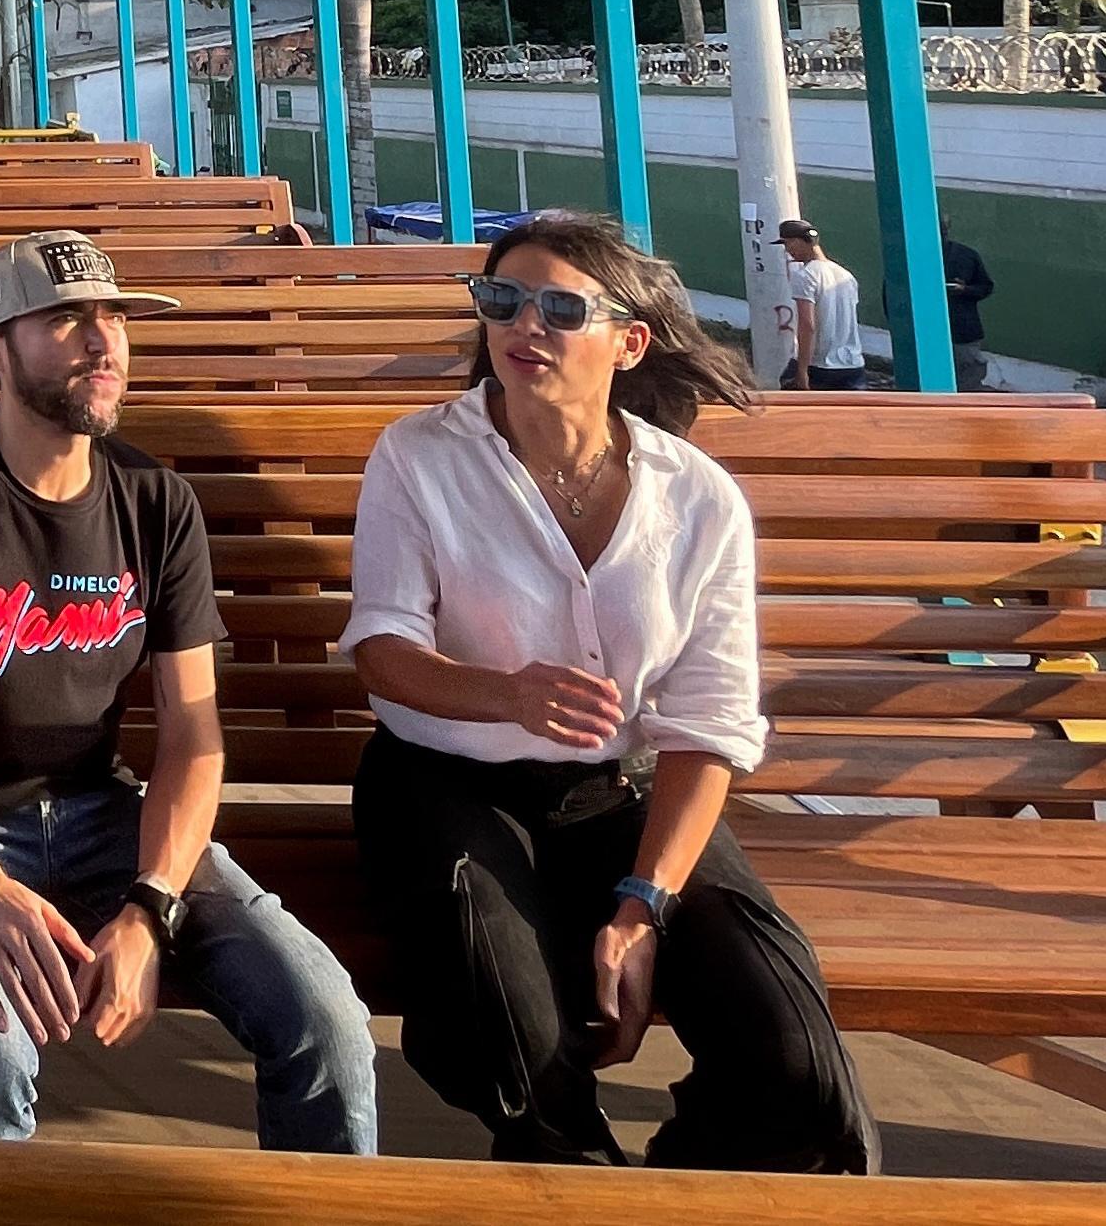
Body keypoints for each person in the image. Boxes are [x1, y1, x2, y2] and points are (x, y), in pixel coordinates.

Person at [346, 211, 874, 1170]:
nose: (524, 325)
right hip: (448, 780)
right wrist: (503, 694)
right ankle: (576, 1178)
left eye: (560, 307)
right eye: (502, 300)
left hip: (624, 795)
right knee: (518, 1041)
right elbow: (382, 649)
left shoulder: (697, 495)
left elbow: (709, 720)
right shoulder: (421, 455)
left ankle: (681, 1178)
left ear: (629, 342)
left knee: (795, 1058)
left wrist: (643, 907)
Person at [0, 230, 377, 1149]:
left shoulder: (154, 501)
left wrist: (152, 905)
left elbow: (193, 736)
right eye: (65, 320)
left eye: (116, 317)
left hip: (103, 816)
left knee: (326, 1022)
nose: (104, 343)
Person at [778, 220, 865, 390]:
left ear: (797, 241)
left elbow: (807, 324)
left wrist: (802, 371)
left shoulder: (805, 275)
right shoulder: (846, 276)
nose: (787, 251)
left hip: (820, 365)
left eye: (787, 244)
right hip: (852, 364)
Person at [942, 238, 995, 391]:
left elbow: (986, 287)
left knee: (968, 381)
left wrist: (965, 290)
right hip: (928, 331)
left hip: (962, 329)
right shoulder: (913, 255)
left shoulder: (966, 255)